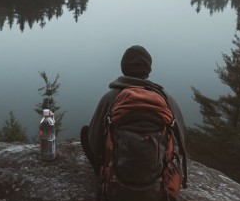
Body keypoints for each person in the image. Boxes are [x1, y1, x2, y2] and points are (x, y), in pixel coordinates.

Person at [80, 45, 188, 174]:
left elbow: (94, 141)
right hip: (159, 184)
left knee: (86, 132)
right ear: (148, 70)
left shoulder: (110, 98)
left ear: (123, 68)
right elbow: (181, 141)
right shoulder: (166, 99)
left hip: (116, 181)